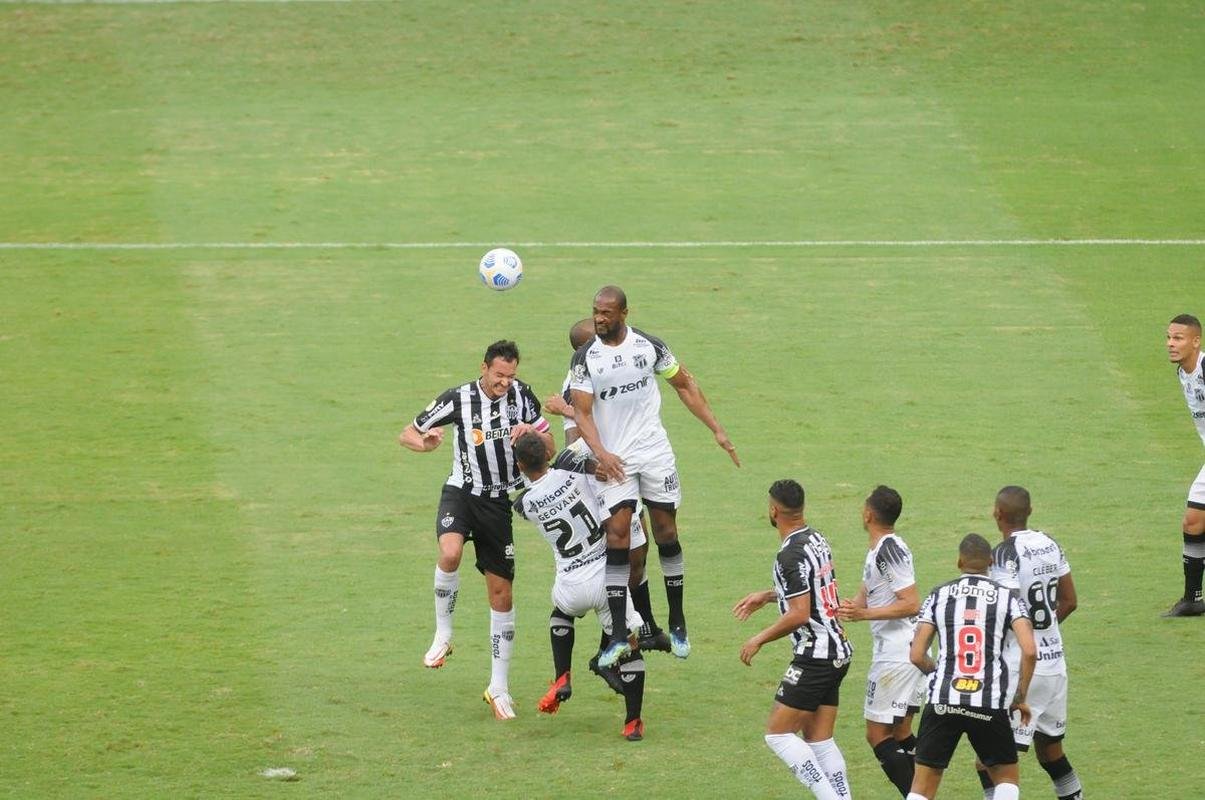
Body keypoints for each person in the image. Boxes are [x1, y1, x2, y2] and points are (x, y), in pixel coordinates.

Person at [569, 286, 740, 666]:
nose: (598, 318)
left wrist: (717, 429)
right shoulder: (585, 359)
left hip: (654, 453)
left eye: (606, 313)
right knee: (617, 535)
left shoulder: (650, 347)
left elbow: (684, 385)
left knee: (666, 533)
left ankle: (677, 620)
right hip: (615, 461)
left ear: (624, 313)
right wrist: (602, 453)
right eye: (595, 311)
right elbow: (581, 413)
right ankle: (617, 633)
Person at [398, 340, 553, 720]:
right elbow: (408, 433)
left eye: (511, 376)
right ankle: (443, 635)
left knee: (501, 595)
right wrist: (427, 445)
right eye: (499, 375)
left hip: (498, 503)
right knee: (449, 553)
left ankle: (498, 687)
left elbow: (549, 444)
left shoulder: (523, 398)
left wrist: (531, 437)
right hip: (462, 493)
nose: (505, 383)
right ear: (484, 368)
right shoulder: (458, 398)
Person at [545, 318, 672, 662]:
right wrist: (570, 414)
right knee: (625, 557)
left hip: (628, 467)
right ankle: (615, 641)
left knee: (640, 549)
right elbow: (575, 443)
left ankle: (645, 628)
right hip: (605, 481)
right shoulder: (579, 380)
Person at [510, 433, 648, 740]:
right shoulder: (573, 472)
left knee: (561, 614)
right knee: (630, 646)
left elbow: (519, 500)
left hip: (570, 583)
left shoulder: (528, 504)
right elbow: (583, 455)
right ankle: (632, 723)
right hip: (606, 577)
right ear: (547, 454)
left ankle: (562, 676)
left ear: (519, 464)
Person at [733, 480, 854, 799]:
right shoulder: (816, 538)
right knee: (819, 740)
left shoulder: (788, 555)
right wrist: (771, 596)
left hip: (815, 655)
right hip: (837, 650)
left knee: (778, 734)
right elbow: (812, 593)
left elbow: (800, 613)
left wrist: (758, 638)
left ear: (773, 510)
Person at [906, 534, 1036, 800]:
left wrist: (940, 673)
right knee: (1006, 779)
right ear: (991, 561)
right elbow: (1030, 651)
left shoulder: (938, 595)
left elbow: (917, 655)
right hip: (987, 701)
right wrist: (1020, 696)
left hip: (943, 698)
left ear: (959, 562)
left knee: (922, 788)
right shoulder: (1008, 599)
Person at [976, 487, 1082, 800]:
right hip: (1055, 666)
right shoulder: (1050, 543)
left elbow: (1004, 609)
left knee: (989, 762)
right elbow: (1070, 601)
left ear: (997, 513)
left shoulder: (1003, 554)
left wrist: (1022, 639)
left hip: (1022, 668)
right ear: (1030, 511)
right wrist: (1043, 632)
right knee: (1051, 753)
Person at [837, 485, 925, 797]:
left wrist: (863, 615)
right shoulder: (879, 550)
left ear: (868, 514)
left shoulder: (889, 550)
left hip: (897, 654)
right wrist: (844, 609)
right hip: (910, 651)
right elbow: (861, 599)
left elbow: (911, 603)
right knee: (901, 731)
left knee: (877, 734)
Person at [1164, 313, 1205, 616]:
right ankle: (1192, 599)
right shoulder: (1182, 372)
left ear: (1195, 341)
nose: (1170, 343)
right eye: (1168, 337)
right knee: (1193, 521)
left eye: (1178, 338)